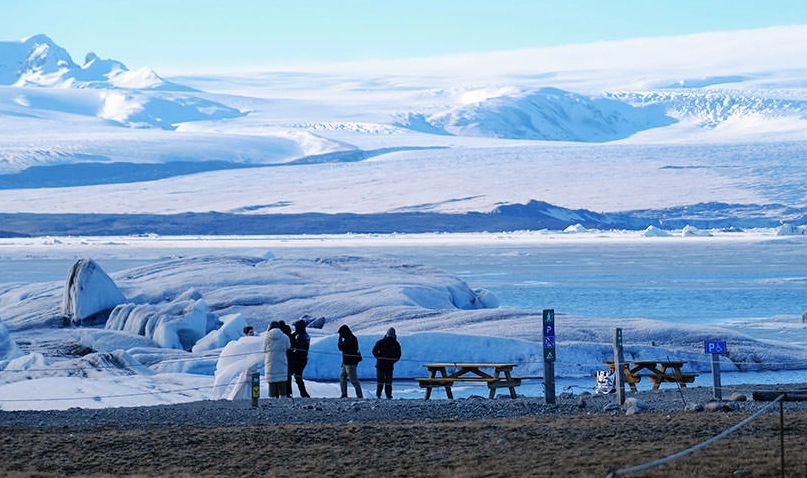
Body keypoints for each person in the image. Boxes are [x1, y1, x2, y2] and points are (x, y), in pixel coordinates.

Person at [372, 327, 401, 399]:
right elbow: (398, 355)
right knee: (388, 381)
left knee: (380, 380)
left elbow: (374, 351)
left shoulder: (381, 342)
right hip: (389, 365)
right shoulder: (396, 344)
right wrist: (392, 361)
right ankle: (388, 395)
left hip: (380, 364)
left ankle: (378, 395)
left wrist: (379, 357)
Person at [263, 321, 290, 398]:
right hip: (282, 360)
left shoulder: (267, 337)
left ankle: (272, 398)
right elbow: (288, 346)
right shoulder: (285, 337)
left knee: (272, 381)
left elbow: (264, 349)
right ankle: (283, 398)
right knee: (281, 380)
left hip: (270, 362)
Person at [337, 324, 363, 398]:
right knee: (342, 377)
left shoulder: (350, 339)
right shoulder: (350, 338)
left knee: (353, 379)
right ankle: (344, 394)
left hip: (350, 362)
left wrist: (340, 340)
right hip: (346, 362)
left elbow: (341, 347)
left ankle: (359, 395)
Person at [289, 319, 311, 398]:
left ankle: (302, 393)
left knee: (295, 376)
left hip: (300, 360)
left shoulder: (303, 336)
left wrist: (293, 335)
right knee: (298, 377)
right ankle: (303, 393)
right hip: (302, 359)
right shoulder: (302, 335)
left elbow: (298, 348)